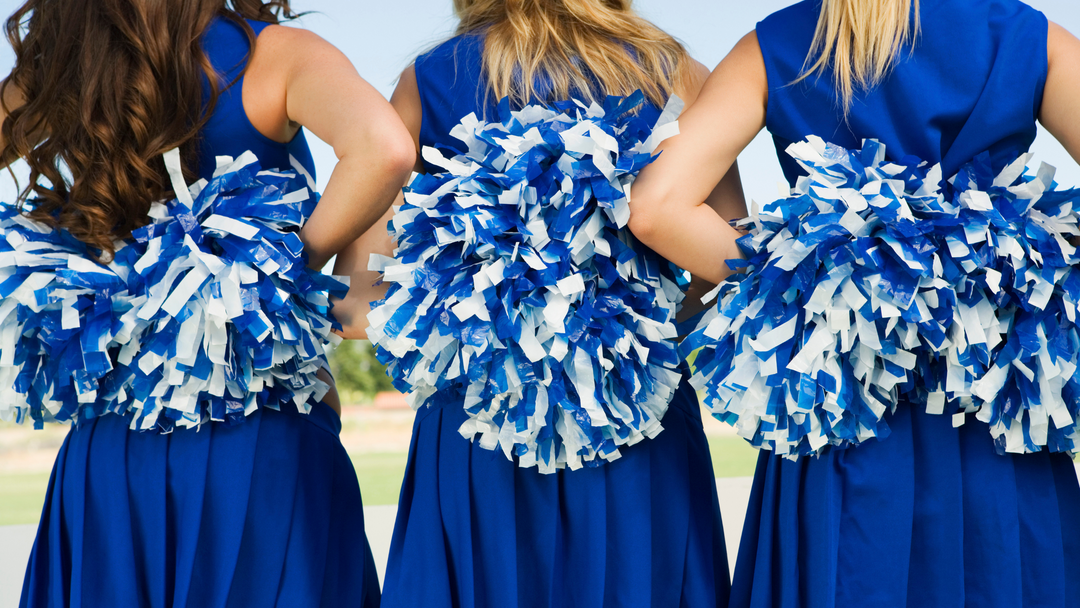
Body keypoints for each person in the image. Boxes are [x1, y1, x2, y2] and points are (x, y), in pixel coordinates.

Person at [628, 0, 1080, 605]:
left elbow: (656, 208)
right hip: (993, 413)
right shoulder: (1028, 36)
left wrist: (810, 280)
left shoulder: (780, 43)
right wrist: (1029, 272)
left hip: (842, 412)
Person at [329, 1, 743, 606]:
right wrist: (629, 328)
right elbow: (728, 271)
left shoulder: (432, 76)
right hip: (636, 416)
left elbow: (357, 309)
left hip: (483, 419)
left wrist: (478, 301)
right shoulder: (672, 69)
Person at [1, 1, 414, 606]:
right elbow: (385, 148)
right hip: (263, 440)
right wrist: (277, 277)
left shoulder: (63, 66)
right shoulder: (274, 55)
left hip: (109, 456)